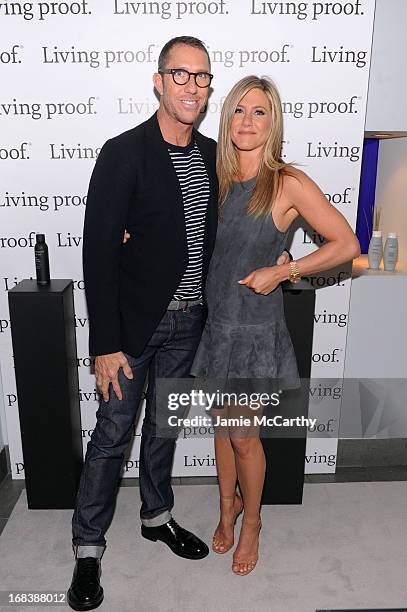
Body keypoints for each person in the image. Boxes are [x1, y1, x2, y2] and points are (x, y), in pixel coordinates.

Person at [67, 36, 293, 610]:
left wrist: (284, 259)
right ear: (158, 81)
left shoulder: (217, 157)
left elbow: (242, 231)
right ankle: (88, 548)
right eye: (180, 74)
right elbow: (98, 253)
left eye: (201, 77)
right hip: (135, 330)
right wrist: (106, 344)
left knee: (163, 431)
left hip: (195, 326)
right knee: (113, 435)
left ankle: (156, 516)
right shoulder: (123, 153)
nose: (192, 86)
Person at [191, 75, 361, 576]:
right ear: (226, 118)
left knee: (243, 436)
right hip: (213, 323)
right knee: (223, 431)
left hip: (254, 332)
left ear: (273, 121)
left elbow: (346, 245)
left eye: (259, 111)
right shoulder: (212, 174)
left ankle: (253, 524)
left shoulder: (287, 182)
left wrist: (285, 269)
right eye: (239, 110)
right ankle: (227, 508)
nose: (247, 120)